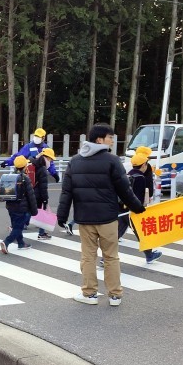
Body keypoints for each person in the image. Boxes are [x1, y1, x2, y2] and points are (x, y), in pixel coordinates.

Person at [57, 124, 145, 307]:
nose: (112, 140)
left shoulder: (75, 161)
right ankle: (115, 295)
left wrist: (62, 216)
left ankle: (89, 294)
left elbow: (67, 192)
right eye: (110, 137)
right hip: (108, 218)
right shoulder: (112, 161)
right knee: (111, 256)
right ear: (99, 140)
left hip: (85, 218)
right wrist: (138, 208)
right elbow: (125, 189)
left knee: (88, 256)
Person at [119, 153, 161, 264]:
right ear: (143, 165)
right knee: (143, 233)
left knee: (115, 236)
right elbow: (138, 196)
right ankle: (150, 255)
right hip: (133, 211)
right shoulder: (141, 178)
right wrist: (140, 208)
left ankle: (105, 258)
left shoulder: (128, 175)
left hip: (123, 210)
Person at [0, 155, 38, 253]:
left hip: (10, 207)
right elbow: (31, 196)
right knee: (18, 227)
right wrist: (34, 211)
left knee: (16, 225)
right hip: (21, 208)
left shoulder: (10, 177)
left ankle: (21, 243)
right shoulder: (25, 178)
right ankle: (6, 242)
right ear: (25, 166)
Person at [30, 147, 54, 240]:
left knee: (29, 212)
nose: (51, 161)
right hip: (38, 195)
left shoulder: (34, 164)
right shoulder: (43, 169)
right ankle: (41, 233)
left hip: (30, 192)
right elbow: (43, 187)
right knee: (41, 213)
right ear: (46, 158)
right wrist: (45, 199)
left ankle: (15, 227)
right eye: (50, 159)